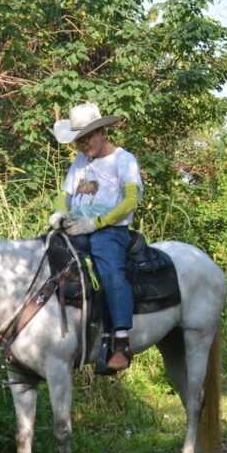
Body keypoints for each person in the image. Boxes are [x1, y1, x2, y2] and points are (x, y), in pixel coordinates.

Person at [48, 102, 142, 372]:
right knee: (48, 256)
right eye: (78, 140)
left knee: (110, 270)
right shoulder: (80, 162)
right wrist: (59, 213)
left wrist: (98, 222)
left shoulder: (123, 160)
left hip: (110, 230)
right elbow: (65, 194)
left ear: (102, 132)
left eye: (87, 137)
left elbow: (131, 201)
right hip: (77, 227)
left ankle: (121, 340)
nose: (82, 144)